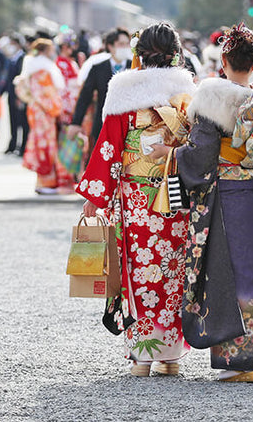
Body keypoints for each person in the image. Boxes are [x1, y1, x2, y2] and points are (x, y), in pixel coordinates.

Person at [77, 22, 196, 377]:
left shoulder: (124, 91)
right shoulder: (186, 91)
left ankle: (142, 356)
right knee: (173, 267)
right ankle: (170, 354)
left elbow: (110, 148)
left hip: (136, 196)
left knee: (139, 269)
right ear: (176, 53)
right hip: (175, 190)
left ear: (139, 55)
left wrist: (95, 197)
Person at [172, 24, 253, 382]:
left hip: (230, 196)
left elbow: (202, 155)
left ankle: (239, 362)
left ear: (223, 59)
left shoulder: (211, 98)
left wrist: (173, 154)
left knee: (229, 273)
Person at [18, 39, 71, 195]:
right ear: (43, 51)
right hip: (44, 112)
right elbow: (44, 94)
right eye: (50, 50)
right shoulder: (41, 70)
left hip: (39, 110)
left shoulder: (35, 68)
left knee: (45, 144)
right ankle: (45, 182)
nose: (52, 53)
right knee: (45, 146)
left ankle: (48, 181)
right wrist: (57, 108)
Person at [69, 28, 131, 151]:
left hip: (129, 126)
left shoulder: (134, 67)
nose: (125, 48)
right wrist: (76, 123)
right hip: (103, 123)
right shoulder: (98, 68)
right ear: (110, 46)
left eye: (127, 44)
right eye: (120, 44)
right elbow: (85, 96)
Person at [3, 36, 28, 156]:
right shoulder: (13, 57)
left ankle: (22, 146)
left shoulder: (22, 58)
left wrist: (20, 97)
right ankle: (12, 145)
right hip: (11, 94)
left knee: (21, 122)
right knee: (12, 120)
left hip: (18, 95)